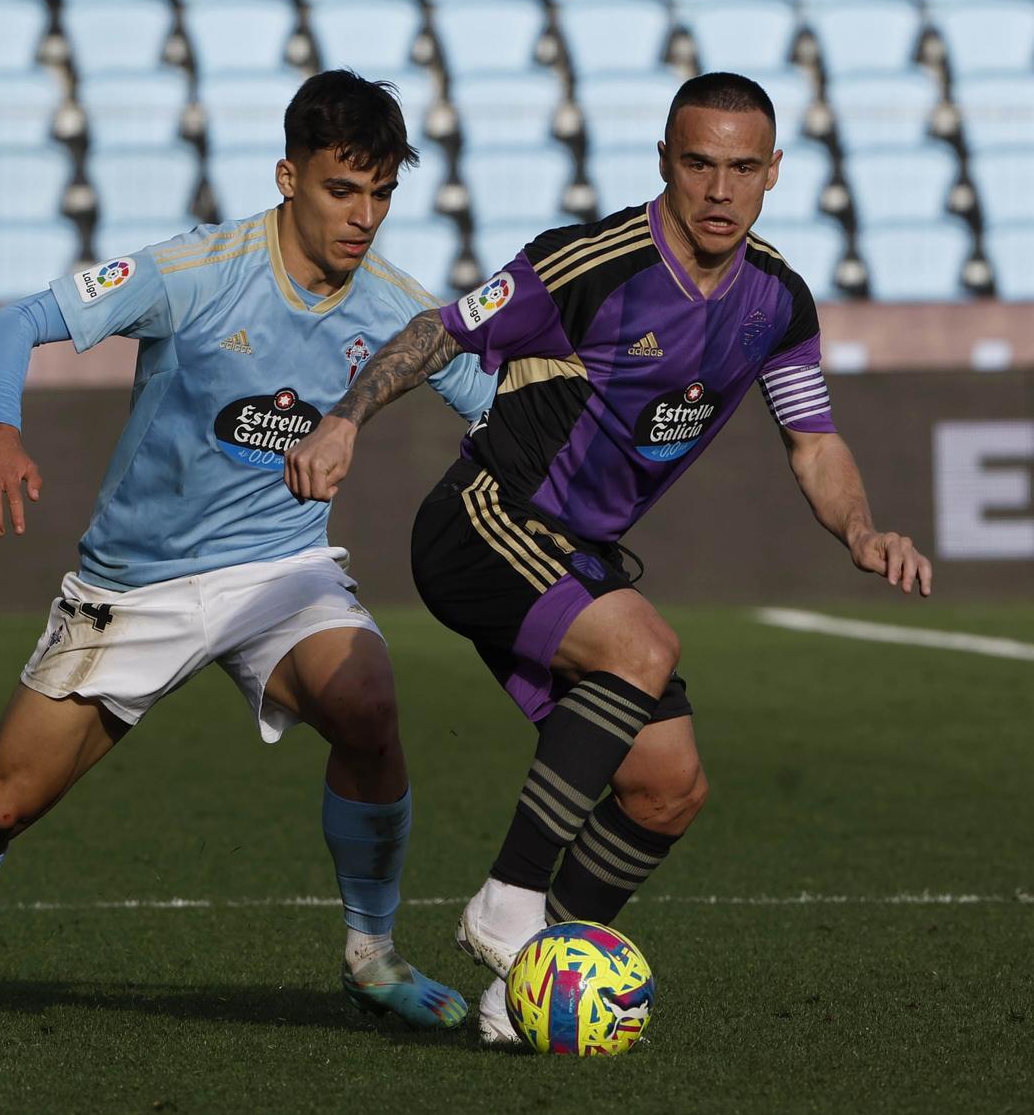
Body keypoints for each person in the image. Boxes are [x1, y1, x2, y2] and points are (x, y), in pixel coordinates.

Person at [0, 70, 492, 1031]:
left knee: (369, 704)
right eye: (343, 188)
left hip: (278, 572)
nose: (363, 214)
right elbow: (13, 324)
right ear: (290, 177)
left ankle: (372, 954)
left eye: (381, 193)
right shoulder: (196, 270)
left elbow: (493, 405)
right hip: (135, 584)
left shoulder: (396, 307)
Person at [283, 72, 934, 1043]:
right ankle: (506, 902)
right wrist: (343, 419)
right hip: (482, 519)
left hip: (574, 554)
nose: (719, 190)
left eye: (741, 168)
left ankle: (524, 994)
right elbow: (438, 329)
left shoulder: (775, 302)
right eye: (698, 164)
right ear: (664, 162)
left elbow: (811, 439)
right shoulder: (590, 262)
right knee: (640, 642)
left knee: (666, 786)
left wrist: (859, 527)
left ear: (772, 174)